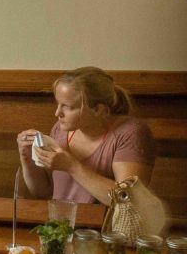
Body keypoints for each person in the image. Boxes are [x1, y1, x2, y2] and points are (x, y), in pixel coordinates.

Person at [17, 66, 155, 204]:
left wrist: (72, 166)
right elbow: (44, 192)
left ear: (98, 109)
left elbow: (128, 199)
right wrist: (26, 157)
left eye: (68, 107)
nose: (57, 113)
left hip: (106, 226)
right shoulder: (60, 130)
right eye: (58, 104)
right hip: (60, 223)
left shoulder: (130, 133)